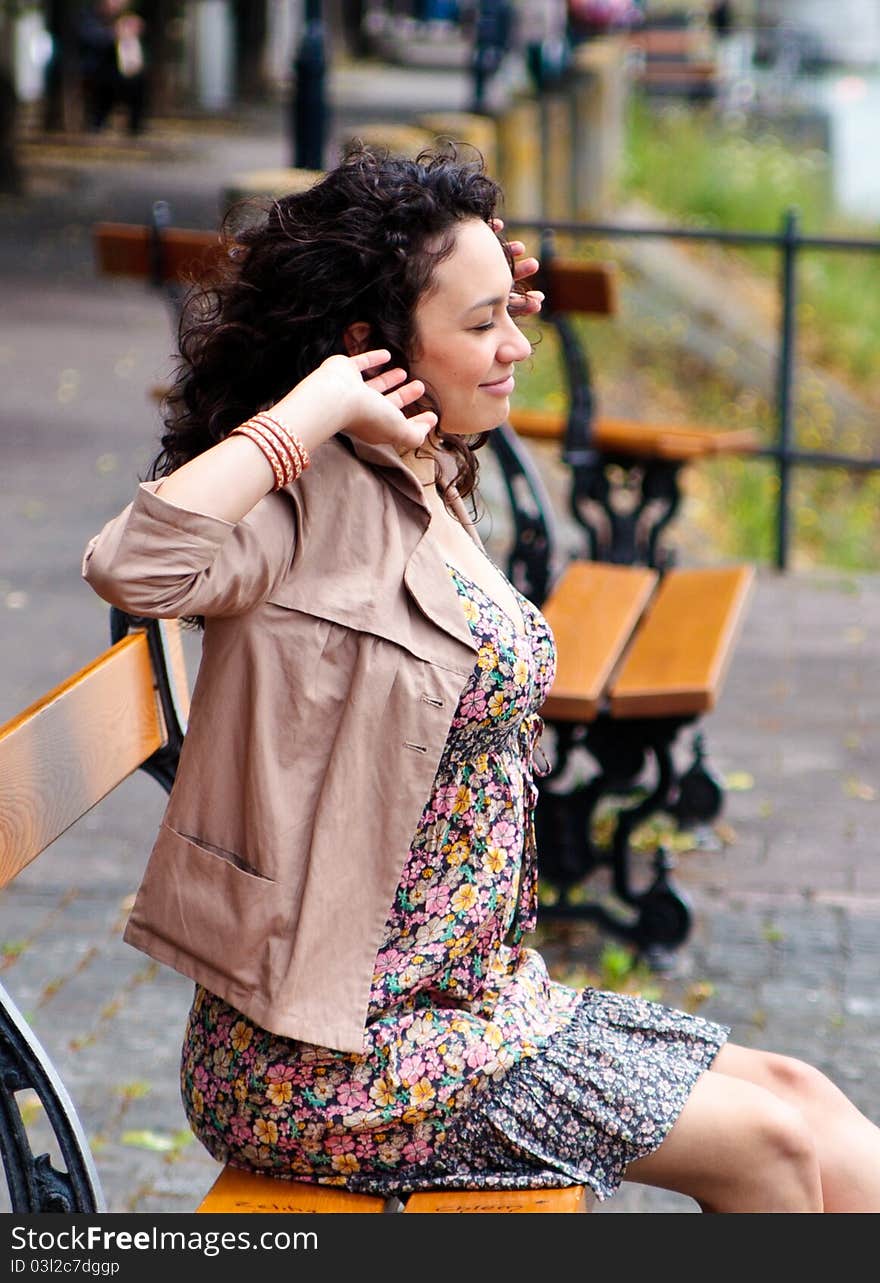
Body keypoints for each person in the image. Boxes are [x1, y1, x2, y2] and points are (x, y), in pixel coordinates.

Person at [82, 146, 880, 1212]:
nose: (518, 346)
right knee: (772, 1147)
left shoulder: (417, 464)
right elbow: (134, 565)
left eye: (514, 313)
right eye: (484, 324)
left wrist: (460, 280)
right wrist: (313, 403)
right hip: (331, 1055)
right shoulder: (295, 501)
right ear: (365, 349)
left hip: (469, 1006)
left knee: (807, 1094)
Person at [78, 0, 147, 136]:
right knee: (104, 84)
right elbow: (91, 39)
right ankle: (98, 122)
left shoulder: (125, 17)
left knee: (138, 81)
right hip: (96, 70)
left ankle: (134, 126)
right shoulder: (89, 15)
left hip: (121, 71)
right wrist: (115, 33)